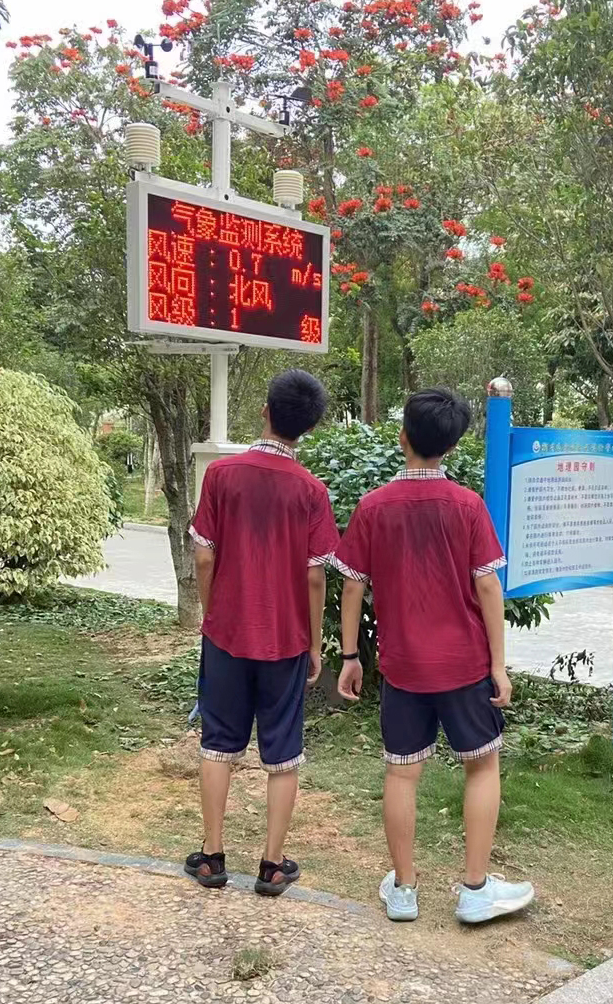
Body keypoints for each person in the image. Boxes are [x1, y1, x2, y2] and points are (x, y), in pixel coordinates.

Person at [334, 387, 534, 924]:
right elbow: (488, 588)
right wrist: (498, 664)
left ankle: (403, 891)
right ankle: (474, 890)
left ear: (404, 439)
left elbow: (352, 587)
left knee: (402, 774)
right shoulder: (467, 506)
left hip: (402, 667)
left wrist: (350, 655)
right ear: (451, 446)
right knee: (482, 764)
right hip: (465, 665)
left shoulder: (374, 506)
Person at [185, 369, 338, 897]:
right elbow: (315, 574)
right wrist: (315, 643)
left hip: (226, 634)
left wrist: (214, 612)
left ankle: (211, 857)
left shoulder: (222, 477)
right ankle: (272, 866)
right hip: (287, 640)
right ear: (307, 428)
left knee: (218, 742)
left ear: (265, 412)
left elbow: (204, 555)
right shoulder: (312, 491)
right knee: (283, 751)